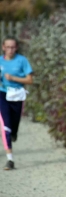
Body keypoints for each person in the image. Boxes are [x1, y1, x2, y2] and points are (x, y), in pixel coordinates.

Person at [0, 36, 33, 170]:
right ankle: (10, 159)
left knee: (14, 124)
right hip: (2, 93)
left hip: (17, 95)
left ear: (17, 48)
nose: (10, 50)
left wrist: (13, 78)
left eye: (13, 47)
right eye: (7, 47)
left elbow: (30, 80)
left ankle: (14, 132)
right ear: (3, 48)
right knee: (6, 126)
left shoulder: (22, 61)